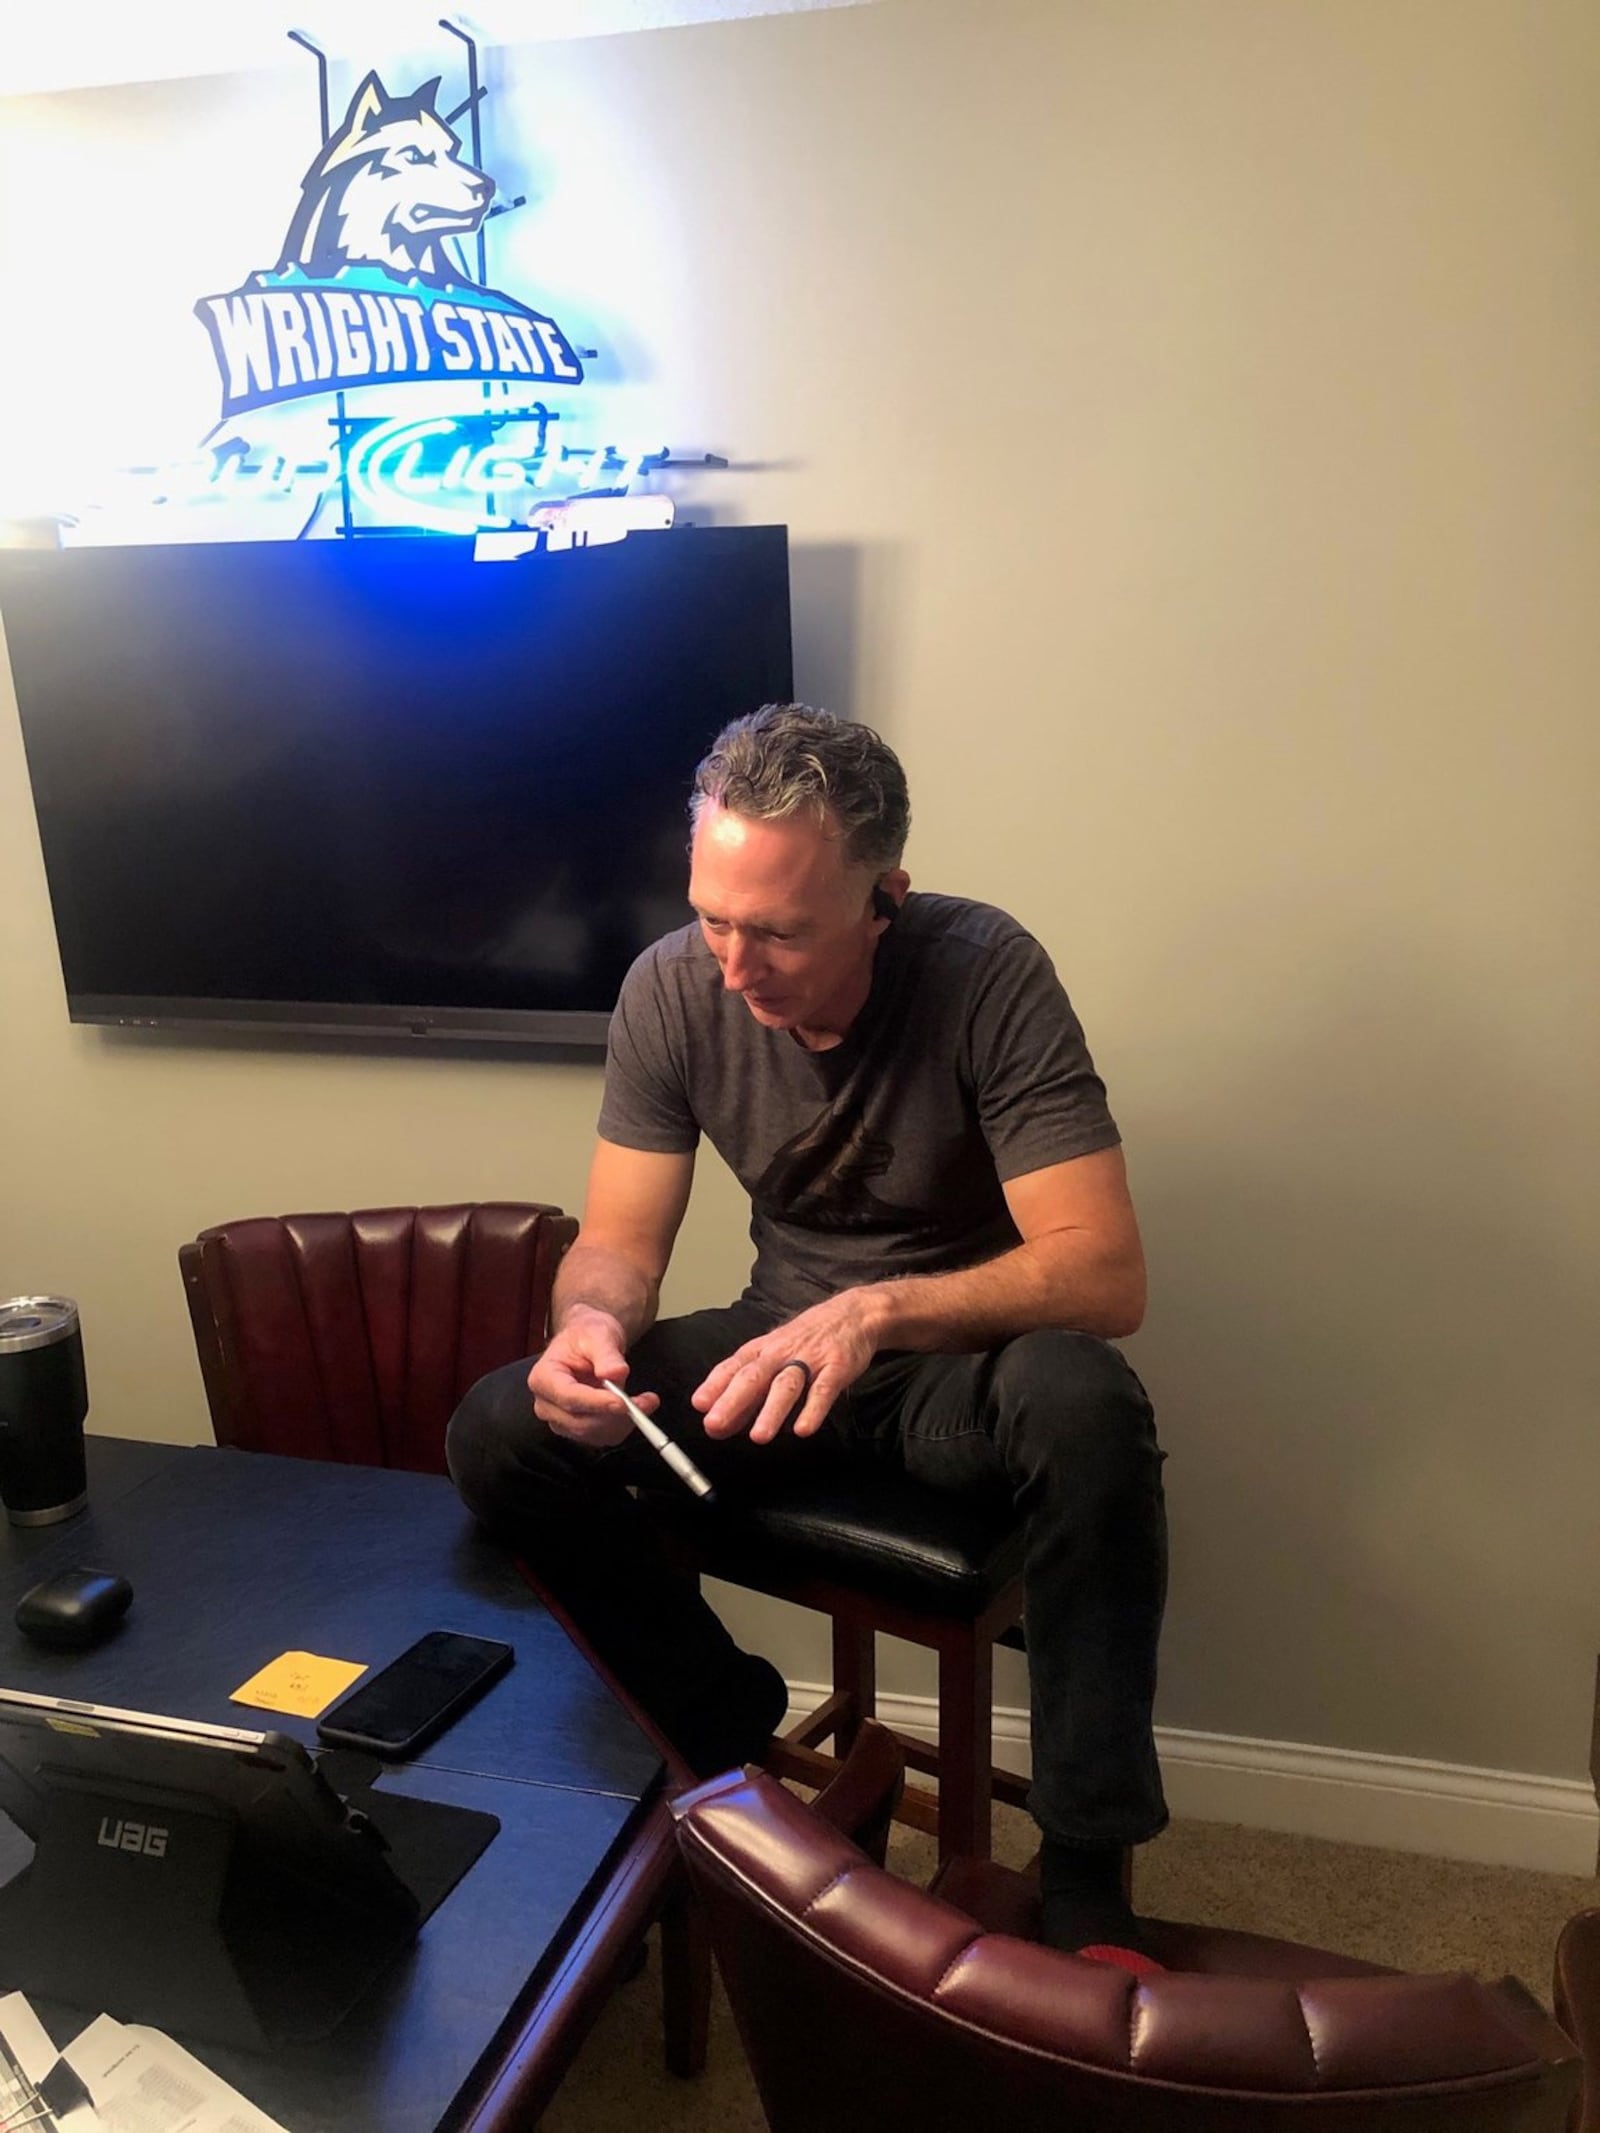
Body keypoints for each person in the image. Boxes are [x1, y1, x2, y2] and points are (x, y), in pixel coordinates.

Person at [447, 704, 1168, 1957]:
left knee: (1085, 1398)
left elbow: (1102, 1273)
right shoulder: (672, 987)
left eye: (777, 932)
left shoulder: (985, 970)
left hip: (953, 1373)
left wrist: (875, 1308)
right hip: (769, 1357)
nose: (734, 966)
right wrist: (586, 1331)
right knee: (502, 1427)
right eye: (714, 918)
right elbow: (620, 1244)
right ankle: (723, 1723)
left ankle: (1086, 1873)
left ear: (885, 894)